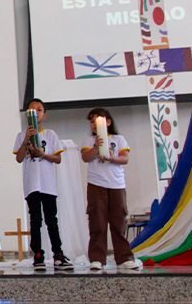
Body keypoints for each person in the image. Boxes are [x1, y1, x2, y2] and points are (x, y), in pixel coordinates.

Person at [13, 98, 73, 271]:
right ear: (27, 115)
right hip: (32, 184)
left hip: (48, 184)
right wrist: (26, 140)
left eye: (39, 110)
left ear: (44, 115)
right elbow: (18, 158)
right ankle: (37, 254)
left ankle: (58, 254)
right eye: (32, 110)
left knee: (51, 220)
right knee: (35, 220)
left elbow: (58, 158)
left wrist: (42, 154)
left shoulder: (50, 135)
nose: (36, 113)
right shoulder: (21, 135)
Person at [81, 108, 139, 271]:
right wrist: (95, 147)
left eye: (98, 120)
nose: (94, 124)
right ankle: (97, 258)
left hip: (116, 185)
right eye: (91, 121)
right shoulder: (88, 140)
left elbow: (125, 158)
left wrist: (111, 158)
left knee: (118, 222)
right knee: (97, 222)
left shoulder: (118, 139)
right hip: (96, 184)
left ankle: (124, 258)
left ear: (108, 122)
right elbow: (85, 157)